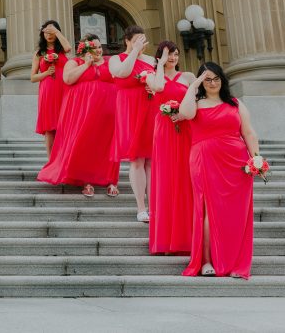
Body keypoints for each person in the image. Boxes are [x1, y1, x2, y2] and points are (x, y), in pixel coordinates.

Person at [178, 62, 260, 279]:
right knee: (207, 211)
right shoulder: (196, 102)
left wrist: (256, 158)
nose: (212, 83)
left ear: (222, 80)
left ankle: (233, 262)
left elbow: (248, 132)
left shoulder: (234, 103)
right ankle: (206, 261)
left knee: (235, 214)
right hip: (205, 159)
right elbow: (185, 113)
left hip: (236, 163)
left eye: (216, 79)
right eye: (207, 79)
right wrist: (193, 86)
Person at [37, 34, 120, 198]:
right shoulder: (74, 62)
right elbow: (67, 79)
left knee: (108, 145)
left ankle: (111, 181)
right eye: (94, 47)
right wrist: (87, 64)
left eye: (99, 46)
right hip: (84, 112)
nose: (98, 49)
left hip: (108, 112)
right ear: (85, 49)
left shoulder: (111, 62)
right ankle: (86, 181)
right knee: (85, 143)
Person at [145, 41, 194, 255]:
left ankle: (187, 237)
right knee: (166, 179)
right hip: (164, 130)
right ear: (159, 57)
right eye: (167, 55)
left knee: (186, 178)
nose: (172, 58)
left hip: (186, 130)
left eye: (175, 54)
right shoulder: (151, 75)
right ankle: (166, 239)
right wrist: (160, 65)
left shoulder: (189, 77)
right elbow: (158, 88)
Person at [109, 25, 156, 222]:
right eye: (137, 39)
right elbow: (122, 73)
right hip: (129, 109)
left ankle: (155, 207)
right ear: (127, 40)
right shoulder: (115, 59)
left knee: (151, 161)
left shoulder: (151, 60)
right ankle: (141, 208)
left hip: (150, 108)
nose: (141, 44)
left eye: (143, 40)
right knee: (136, 159)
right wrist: (134, 51)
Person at [31, 20, 72, 156]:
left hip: (64, 89)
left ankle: (63, 158)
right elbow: (33, 77)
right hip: (48, 90)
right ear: (42, 35)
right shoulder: (39, 53)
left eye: (51, 32)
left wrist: (56, 31)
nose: (49, 35)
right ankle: (50, 161)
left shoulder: (62, 51)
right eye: (46, 32)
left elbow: (68, 48)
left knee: (64, 123)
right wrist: (46, 73)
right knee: (49, 127)